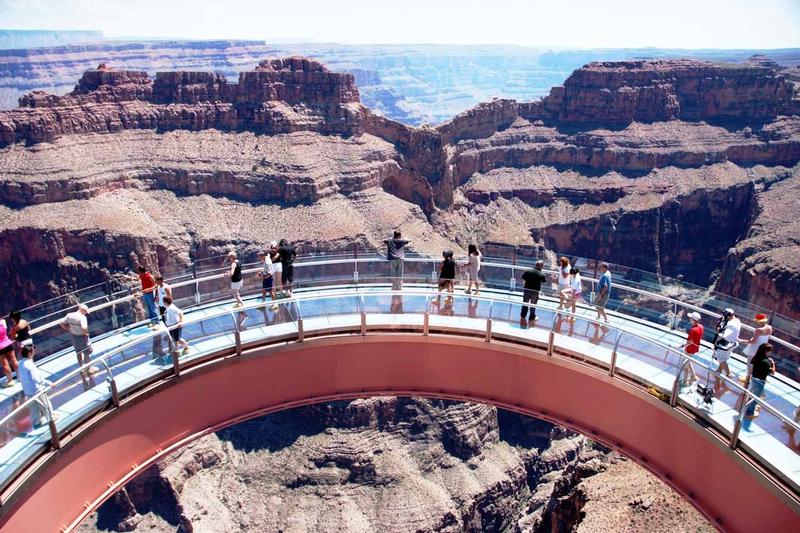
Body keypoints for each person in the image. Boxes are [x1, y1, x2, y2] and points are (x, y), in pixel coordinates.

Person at [18, 344, 57, 427]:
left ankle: (36, 422)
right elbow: (36, 378)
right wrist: (49, 383)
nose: (34, 351)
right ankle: (51, 418)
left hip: (27, 390)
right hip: (36, 390)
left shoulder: (20, 363)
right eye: (33, 350)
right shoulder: (29, 364)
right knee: (46, 405)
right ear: (29, 353)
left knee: (34, 408)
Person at [60, 305, 98, 374]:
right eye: (85, 311)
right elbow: (84, 327)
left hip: (74, 336)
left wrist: (68, 329)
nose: (86, 313)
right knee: (86, 353)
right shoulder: (82, 317)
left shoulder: (69, 315)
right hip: (82, 337)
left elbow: (61, 323)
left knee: (78, 353)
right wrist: (86, 334)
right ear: (82, 310)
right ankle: (88, 369)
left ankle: (81, 368)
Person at [744, 343, 775, 419]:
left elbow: (751, 368)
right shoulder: (766, 362)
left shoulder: (756, 357)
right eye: (770, 351)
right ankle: (750, 412)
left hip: (754, 379)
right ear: (766, 351)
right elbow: (772, 373)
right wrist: (773, 364)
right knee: (755, 398)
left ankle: (748, 407)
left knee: (752, 394)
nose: (771, 352)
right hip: (760, 381)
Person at [713, 308, 741, 378]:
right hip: (733, 342)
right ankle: (718, 371)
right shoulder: (737, 320)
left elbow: (721, 333)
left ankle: (729, 374)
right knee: (724, 357)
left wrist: (720, 326)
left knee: (720, 358)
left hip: (727, 344)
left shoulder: (730, 323)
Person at [680, 311, 704, 384]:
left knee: (685, 366)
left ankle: (685, 381)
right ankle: (694, 377)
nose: (690, 319)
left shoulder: (693, 330)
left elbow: (690, 342)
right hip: (695, 348)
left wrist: (684, 346)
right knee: (688, 361)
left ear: (693, 319)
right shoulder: (701, 326)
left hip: (689, 349)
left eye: (690, 318)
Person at [0, 316, 17, 388]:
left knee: (5, 364)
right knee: (14, 360)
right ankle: (21, 376)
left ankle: (10, 380)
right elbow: (5, 330)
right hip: (8, 343)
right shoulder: (3, 321)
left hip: (0, 347)